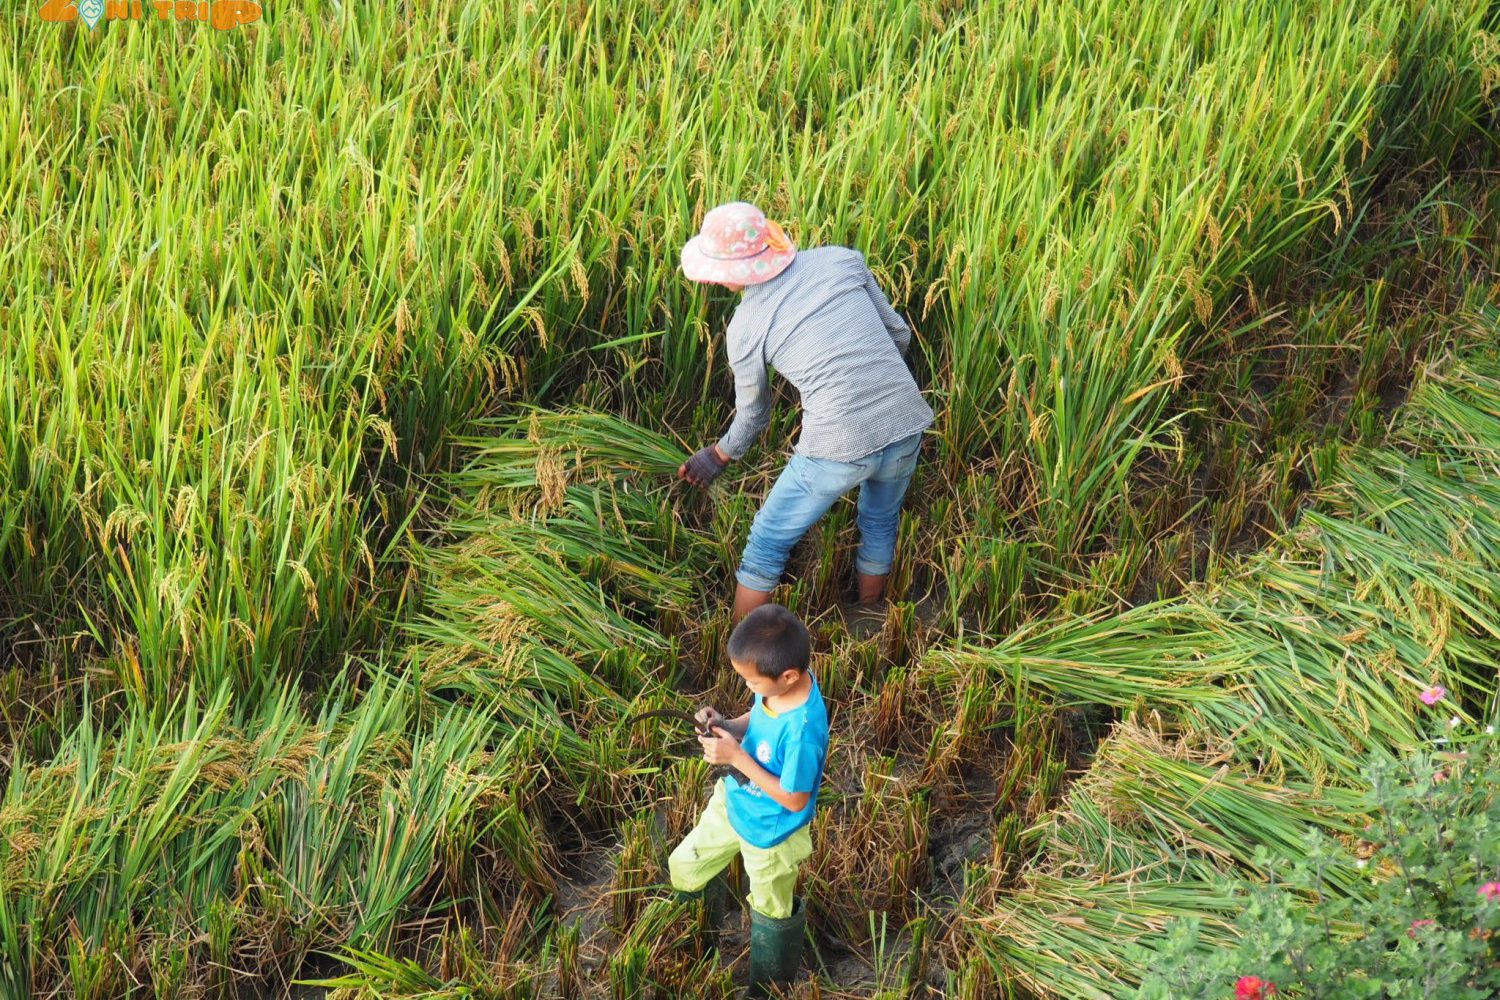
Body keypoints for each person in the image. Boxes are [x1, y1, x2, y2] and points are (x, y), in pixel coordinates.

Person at [677, 201, 934, 621]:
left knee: (766, 542)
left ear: (730, 271)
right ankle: (869, 620)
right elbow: (898, 334)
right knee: (879, 523)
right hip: (906, 419)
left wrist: (719, 455)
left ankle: (741, 650)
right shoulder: (841, 260)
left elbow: (754, 415)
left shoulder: (745, 328)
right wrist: (871, 383)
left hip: (838, 443)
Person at [667, 603, 830, 998]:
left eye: (752, 682)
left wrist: (736, 757)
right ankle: (698, 945)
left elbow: (795, 800)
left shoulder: (803, 731)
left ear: (788, 676)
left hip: (773, 832)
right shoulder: (778, 688)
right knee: (684, 865)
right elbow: (757, 718)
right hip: (734, 801)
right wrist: (726, 725)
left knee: (770, 910)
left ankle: (766, 988)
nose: (747, 688)